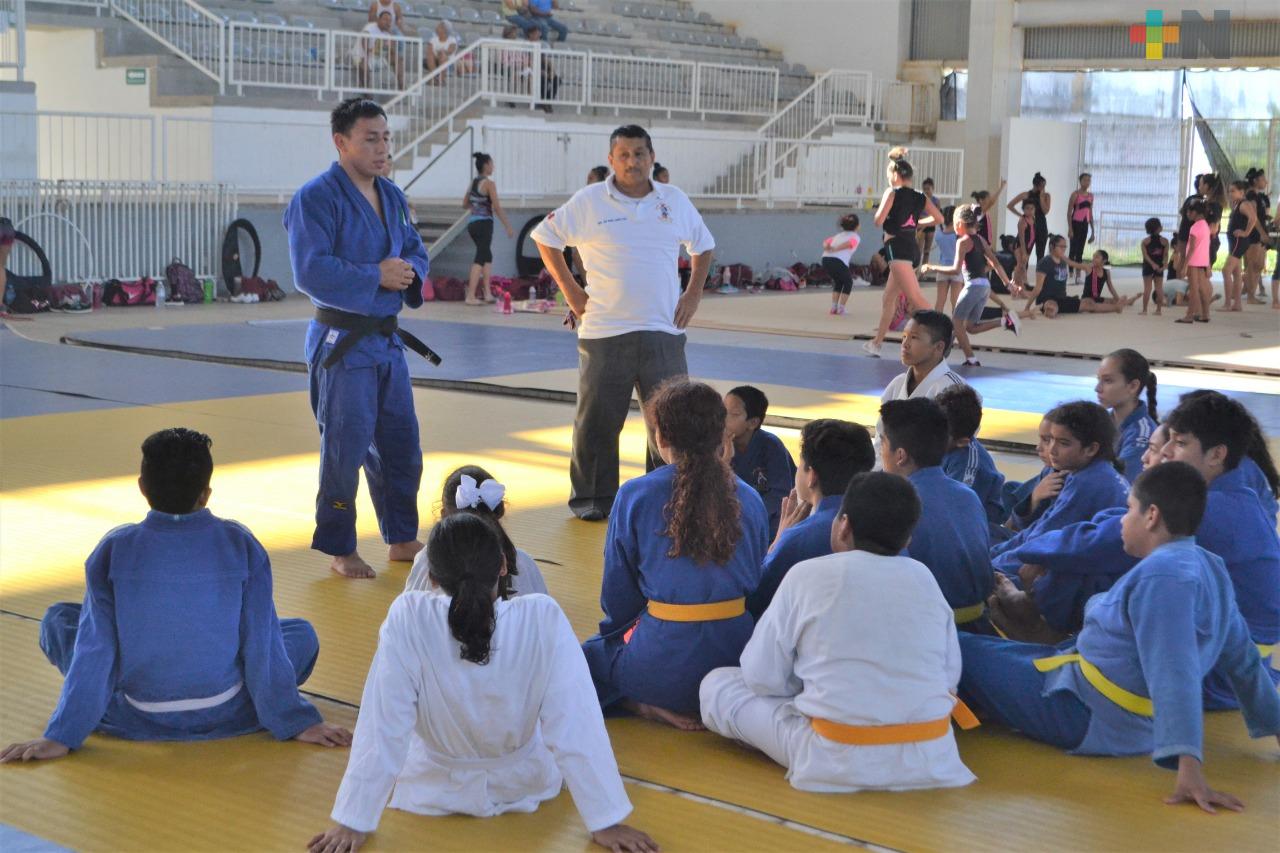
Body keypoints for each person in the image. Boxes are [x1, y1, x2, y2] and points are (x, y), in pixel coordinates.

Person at [0, 428, 350, 764]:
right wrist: (295, 720)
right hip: (228, 710)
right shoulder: (240, 544)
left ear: (142, 487)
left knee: (59, 620)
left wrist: (63, 734)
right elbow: (262, 643)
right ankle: (257, 701)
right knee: (298, 634)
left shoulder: (114, 549)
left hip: (135, 713)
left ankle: (104, 701)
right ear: (206, 494)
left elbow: (97, 648)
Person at [310, 515, 656, 853]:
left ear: (430, 576)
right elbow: (576, 723)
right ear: (504, 565)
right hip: (525, 782)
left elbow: (382, 724)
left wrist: (353, 820)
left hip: (432, 785)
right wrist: (605, 820)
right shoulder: (542, 616)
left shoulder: (408, 617)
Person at [960, 463, 1280, 814]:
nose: (1122, 521)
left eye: (1129, 509)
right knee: (989, 647)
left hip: (1089, 713)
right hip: (1092, 691)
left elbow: (1175, 671)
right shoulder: (1207, 564)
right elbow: (1243, 661)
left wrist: (1190, 769)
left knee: (959, 647)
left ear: (1152, 515)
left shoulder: (1164, 577)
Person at [700, 472, 979, 793]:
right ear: (907, 540)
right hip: (932, 755)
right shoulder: (925, 579)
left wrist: (808, 685)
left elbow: (761, 677)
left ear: (843, 526)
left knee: (717, 685)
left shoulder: (807, 575)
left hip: (834, 757)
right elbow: (948, 680)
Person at [999, 393, 1280, 697]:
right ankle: (1054, 632)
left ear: (1216, 455)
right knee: (1100, 554)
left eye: (1180, 444)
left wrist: (1012, 557)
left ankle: (1051, 632)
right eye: (1167, 442)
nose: (1167, 453)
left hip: (1215, 669)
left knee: (1094, 558)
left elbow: (1106, 540)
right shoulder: (1234, 486)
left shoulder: (1209, 506)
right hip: (1233, 657)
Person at [532, 125, 715, 521]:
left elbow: (704, 246)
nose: (632, 162)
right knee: (597, 422)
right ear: (611, 159)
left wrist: (693, 294)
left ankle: (667, 497)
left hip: (663, 330)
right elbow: (545, 238)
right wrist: (571, 291)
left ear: (652, 157)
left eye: (639, 154)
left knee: (672, 422)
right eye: (624, 155)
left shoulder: (674, 200)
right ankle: (593, 501)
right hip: (604, 331)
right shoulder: (590, 200)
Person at [283, 98, 430, 579]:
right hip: (342, 343)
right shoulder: (315, 197)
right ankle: (340, 547)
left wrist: (407, 274)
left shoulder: (392, 195)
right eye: (371, 138)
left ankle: (402, 537)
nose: (383, 147)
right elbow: (310, 270)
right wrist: (375, 275)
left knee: (402, 445)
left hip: (385, 342)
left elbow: (414, 250)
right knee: (344, 451)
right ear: (341, 142)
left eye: (386, 137)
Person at [581, 380, 768, 729]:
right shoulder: (749, 498)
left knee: (580, 660)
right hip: (738, 662)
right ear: (721, 437)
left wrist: (615, 637)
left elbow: (618, 595)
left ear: (661, 437)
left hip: (661, 666)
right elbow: (755, 579)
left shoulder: (636, 494)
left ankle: (642, 705)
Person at [880, 399, 994, 628]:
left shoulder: (894, 503)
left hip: (931, 629)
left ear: (900, 455)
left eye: (882, 442)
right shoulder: (968, 496)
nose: (880, 451)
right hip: (981, 624)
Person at [746, 418, 875, 619]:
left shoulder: (800, 538)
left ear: (811, 476)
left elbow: (754, 601)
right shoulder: (883, 528)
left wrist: (777, 543)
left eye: (800, 463)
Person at [989, 401, 1129, 574]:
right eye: (1051, 439)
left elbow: (1043, 541)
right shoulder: (1081, 473)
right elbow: (1036, 529)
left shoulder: (1088, 483)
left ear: (1091, 449)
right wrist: (991, 556)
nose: (1052, 450)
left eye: (1063, 443)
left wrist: (990, 567)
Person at [405, 465, 548, 598]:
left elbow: (408, 611)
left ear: (443, 515)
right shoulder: (523, 563)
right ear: (498, 512)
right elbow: (544, 616)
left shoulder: (428, 560)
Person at [863, 147, 945, 357]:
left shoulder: (892, 192)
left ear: (896, 175)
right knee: (888, 297)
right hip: (911, 249)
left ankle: (945, 333)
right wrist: (917, 223)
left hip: (896, 248)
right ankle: (877, 342)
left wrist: (889, 215)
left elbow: (878, 221)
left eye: (889, 175)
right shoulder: (920, 196)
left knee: (915, 298)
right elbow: (939, 219)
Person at [919, 204, 1022, 368]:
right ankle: (1005, 321)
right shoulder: (980, 239)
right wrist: (1008, 283)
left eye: (954, 224)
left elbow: (955, 270)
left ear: (960, 223)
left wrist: (931, 267)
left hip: (973, 286)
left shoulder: (963, 241)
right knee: (971, 327)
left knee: (957, 322)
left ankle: (971, 359)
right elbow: (995, 263)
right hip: (984, 287)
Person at [875, 311, 965, 463]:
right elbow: (881, 439)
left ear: (938, 347)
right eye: (904, 336)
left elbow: (956, 450)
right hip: (890, 474)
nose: (905, 344)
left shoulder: (955, 390)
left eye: (914, 337)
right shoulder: (897, 385)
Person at [724, 385, 795, 541]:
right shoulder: (719, 446)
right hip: (734, 517)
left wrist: (747, 515)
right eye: (723, 411)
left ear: (753, 423)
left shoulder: (771, 446)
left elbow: (780, 494)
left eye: (733, 414)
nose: (723, 419)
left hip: (769, 520)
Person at [936, 384, 1008, 533]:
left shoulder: (968, 463)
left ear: (961, 441)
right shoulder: (939, 444)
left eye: (939, 434)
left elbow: (956, 511)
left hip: (979, 527)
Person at [1095, 349, 1158, 483]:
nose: (1098, 388)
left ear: (1133, 386)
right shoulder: (1100, 421)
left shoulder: (1142, 434)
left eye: (1108, 381)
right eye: (1098, 379)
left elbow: (1119, 482)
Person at [462, 152, 516, 306]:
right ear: (486, 165)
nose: (493, 167)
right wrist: (508, 226)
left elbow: (464, 204)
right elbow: (497, 207)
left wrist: (476, 206)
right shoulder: (489, 184)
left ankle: (487, 293)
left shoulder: (473, 183)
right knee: (481, 256)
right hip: (484, 224)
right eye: (492, 164)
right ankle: (471, 295)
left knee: (487, 255)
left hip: (472, 224)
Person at [1224, 179, 1259, 313]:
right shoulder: (1236, 204)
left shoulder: (1244, 204)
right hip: (1235, 241)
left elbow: (1253, 218)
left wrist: (1245, 232)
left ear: (1241, 192)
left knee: (1226, 271)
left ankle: (1228, 303)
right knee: (1236, 273)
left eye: (1233, 191)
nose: (1230, 193)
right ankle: (1237, 304)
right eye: (1229, 191)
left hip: (1239, 241)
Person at [1175, 198, 1212, 325]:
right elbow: (1206, 246)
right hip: (1202, 261)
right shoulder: (1205, 225)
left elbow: (1191, 248)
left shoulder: (1195, 227)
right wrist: (1208, 265)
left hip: (1193, 261)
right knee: (1202, 288)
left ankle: (1189, 315)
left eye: (1189, 212)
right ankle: (1205, 314)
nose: (1188, 215)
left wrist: (1185, 265)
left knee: (1194, 289)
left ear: (1195, 212)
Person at [352, 12, 404, 91]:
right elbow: (364, 46)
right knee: (363, 62)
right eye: (385, 19)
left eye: (390, 21)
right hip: (361, 56)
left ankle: (402, 87)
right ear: (378, 20)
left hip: (377, 59)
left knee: (397, 58)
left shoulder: (387, 33)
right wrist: (374, 50)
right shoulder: (370, 27)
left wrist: (391, 36)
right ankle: (367, 92)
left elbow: (393, 52)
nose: (388, 22)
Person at [820, 213, 860, 316]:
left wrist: (827, 247)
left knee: (839, 281)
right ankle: (841, 308)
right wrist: (835, 249)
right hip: (838, 260)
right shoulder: (856, 236)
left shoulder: (838, 235)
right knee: (848, 282)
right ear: (857, 226)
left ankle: (834, 308)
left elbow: (825, 242)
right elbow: (850, 244)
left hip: (825, 259)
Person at [1007, 172, 1051, 263]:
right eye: (1042, 186)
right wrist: (1021, 216)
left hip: (1041, 225)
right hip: (1029, 225)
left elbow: (1045, 211)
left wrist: (1041, 197)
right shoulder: (1026, 194)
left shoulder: (1046, 196)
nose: (1044, 188)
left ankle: (1039, 275)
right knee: (1026, 252)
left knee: (1040, 254)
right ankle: (1023, 273)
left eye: (1044, 186)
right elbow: (1010, 205)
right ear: (1036, 185)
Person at [1243, 168, 1270, 304]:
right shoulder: (1252, 196)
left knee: (1259, 265)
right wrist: (1262, 233)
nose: (1266, 182)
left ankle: (1250, 291)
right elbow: (1253, 217)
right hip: (1254, 234)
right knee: (1252, 264)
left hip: (1259, 234)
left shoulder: (1259, 196)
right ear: (1255, 181)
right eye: (1263, 179)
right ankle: (1250, 296)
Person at [931, 205, 962, 312]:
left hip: (942, 268)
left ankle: (935, 326)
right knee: (956, 302)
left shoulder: (939, 233)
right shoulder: (960, 235)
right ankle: (956, 327)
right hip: (956, 269)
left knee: (940, 301)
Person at [1065, 173, 1094, 281]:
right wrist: (1070, 228)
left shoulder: (1091, 196)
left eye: (1089, 180)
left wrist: (1093, 231)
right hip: (1075, 223)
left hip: (1084, 224)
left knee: (1080, 251)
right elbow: (1069, 213)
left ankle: (1078, 273)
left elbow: (1090, 213)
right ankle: (1071, 272)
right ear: (1080, 181)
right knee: (1073, 250)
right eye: (1085, 180)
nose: (1087, 182)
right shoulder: (1075, 194)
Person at [1139, 217, 1168, 315]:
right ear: (1159, 228)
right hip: (1159, 267)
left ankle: (1144, 310)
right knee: (1159, 288)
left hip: (1148, 266)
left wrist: (1152, 264)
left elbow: (1145, 256)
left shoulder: (1145, 241)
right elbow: (1165, 255)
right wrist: (1163, 265)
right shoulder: (1165, 241)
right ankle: (1158, 310)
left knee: (1147, 288)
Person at [969, 178, 1006, 247]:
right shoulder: (978, 209)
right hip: (980, 243)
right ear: (981, 200)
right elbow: (992, 202)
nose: (990, 199)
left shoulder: (978, 209)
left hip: (982, 243)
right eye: (988, 198)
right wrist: (1001, 187)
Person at [1012, 200, 1036, 290]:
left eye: (1032, 209)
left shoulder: (1033, 219)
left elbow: (1033, 235)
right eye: (1027, 208)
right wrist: (1024, 252)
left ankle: (1022, 284)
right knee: (1020, 265)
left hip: (1029, 246)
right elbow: (1021, 239)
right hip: (1019, 245)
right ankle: (1017, 284)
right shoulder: (1022, 221)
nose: (1029, 211)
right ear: (1023, 209)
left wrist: (1028, 250)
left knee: (1023, 265)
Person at [916, 177, 939, 268]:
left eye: (928, 189)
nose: (926, 191)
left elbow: (937, 215)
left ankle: (923, 272)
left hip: (930, 227)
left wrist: (929, 220)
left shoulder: (936, 201)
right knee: (919, 250)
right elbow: (917, 214)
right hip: (921, 226)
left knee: (927, 250)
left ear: (932, 189)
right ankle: (916, 270)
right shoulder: (920, 199)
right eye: (924, 189)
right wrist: (925, 219)